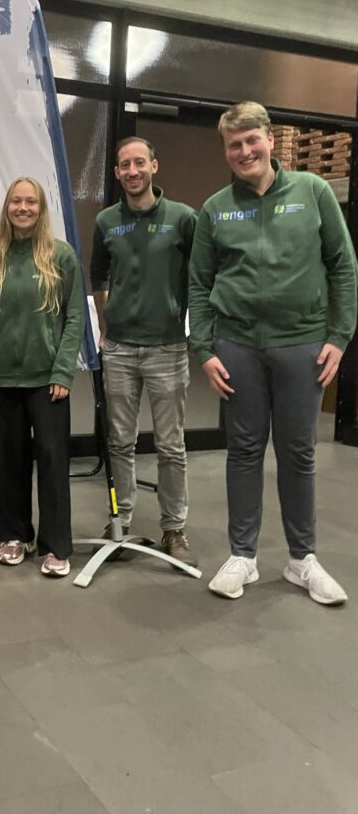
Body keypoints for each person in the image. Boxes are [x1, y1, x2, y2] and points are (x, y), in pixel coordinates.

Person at [189, 101, 357, 604]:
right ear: (225, 150)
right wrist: (203, 348)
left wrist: (339, 336)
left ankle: (302, 560)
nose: (244, 151)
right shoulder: (216, 208)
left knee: (298, 452)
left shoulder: (313, 192)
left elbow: (343, 266)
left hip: (302, 344)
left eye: (251, 140)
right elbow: (198, 283)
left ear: (269, 139)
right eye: (233, 144)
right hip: (236, 346)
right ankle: (243, 557)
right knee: (243, 450)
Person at [0, 177, 84, 577]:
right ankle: (14, 535)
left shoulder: (61, 257)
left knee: (52, 462)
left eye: (30, 201)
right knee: (7, 462)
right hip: (1, 380)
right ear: (7, 208)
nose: (23, 208)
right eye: (16, 201)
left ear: (41, 208)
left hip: (47, 380)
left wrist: (63, 370)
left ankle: (55, 546)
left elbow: (74, 319)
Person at [90, 137, 197, 566]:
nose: (132, 171)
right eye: (124, 165)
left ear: (154, 165)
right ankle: (121, 522)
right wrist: (105, 325)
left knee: (171, 446)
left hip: (167, 348)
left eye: (139, 163)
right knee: (120, 442)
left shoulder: (183, 218)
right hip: (119, 349)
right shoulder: (106, 221)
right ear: (117, 172)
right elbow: (98, 277)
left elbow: (201, 276)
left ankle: (174, 528)